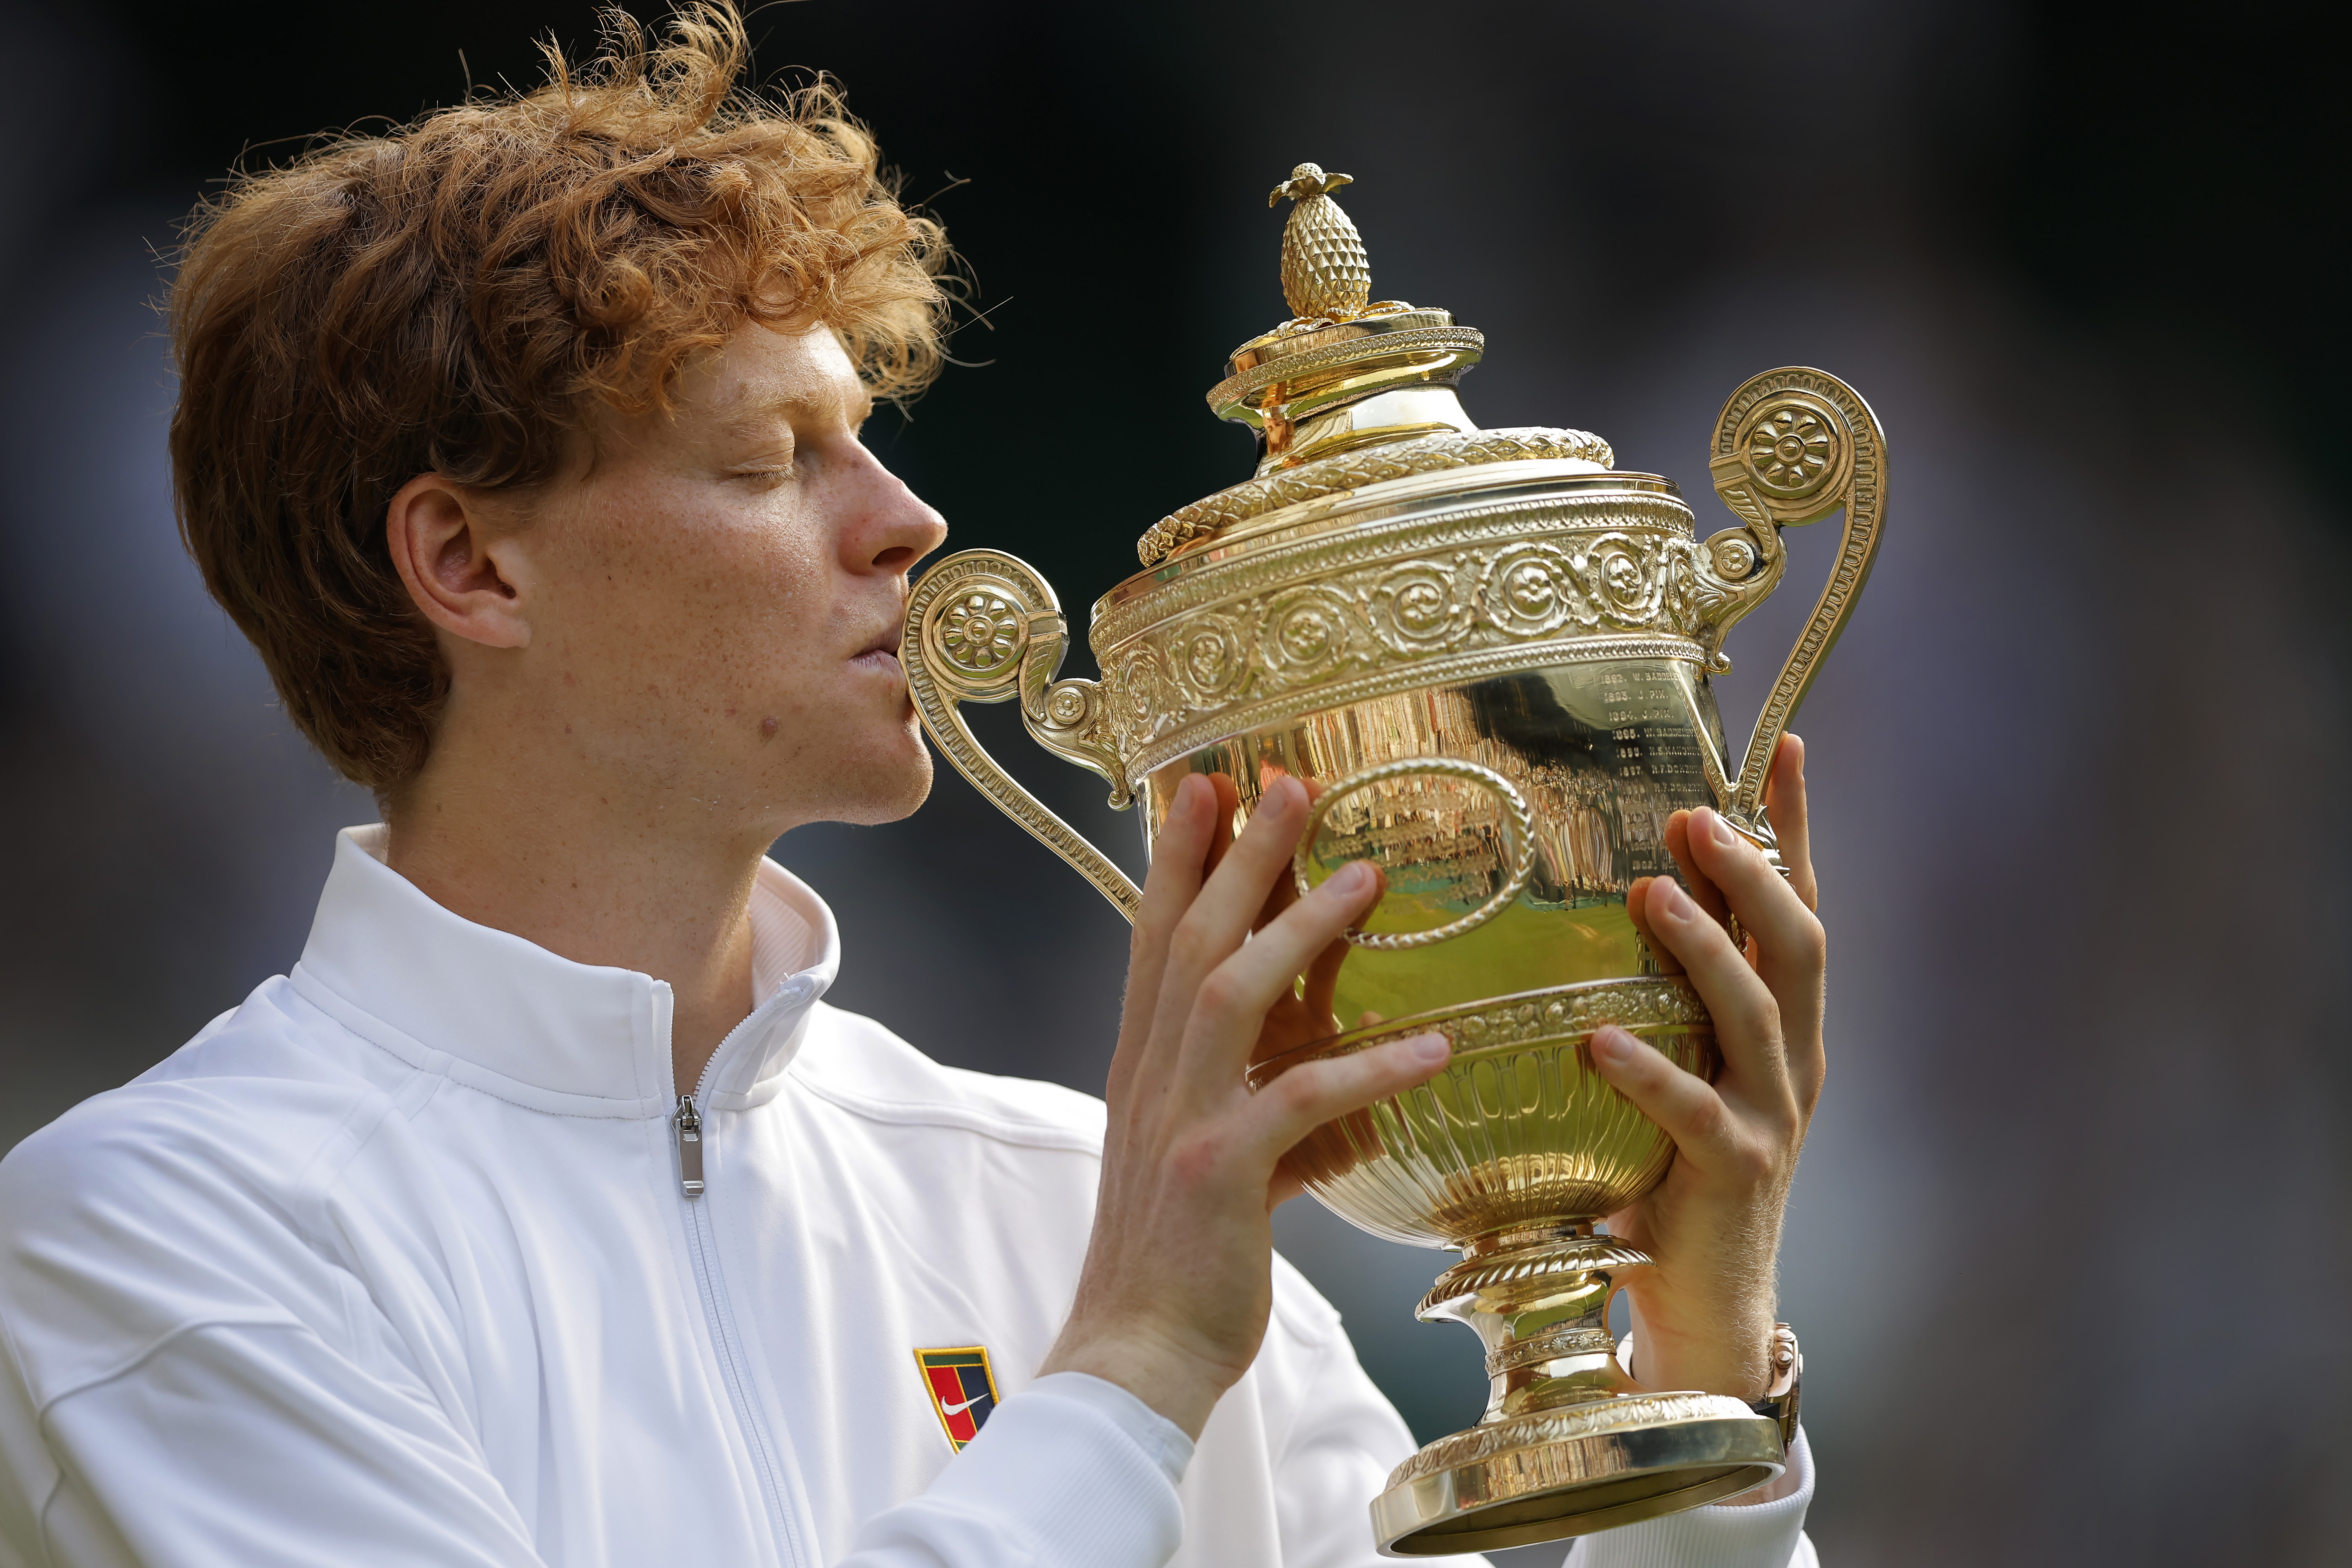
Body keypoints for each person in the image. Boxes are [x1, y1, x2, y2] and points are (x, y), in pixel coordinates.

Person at [0, 7, 1826, 1565]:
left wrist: (1698, 1387)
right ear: (472, 568)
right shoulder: (157, 1229)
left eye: (862, 436)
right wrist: (1120, 1382)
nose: (909, 522)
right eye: (770, 459)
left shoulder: (1067, 1191)